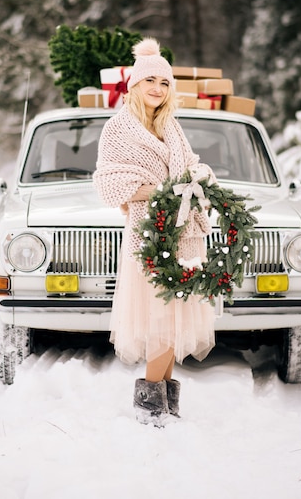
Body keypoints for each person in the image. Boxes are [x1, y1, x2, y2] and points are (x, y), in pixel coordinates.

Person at [93, 38, 216, 427]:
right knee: (161, 318)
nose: (157, 90)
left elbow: (190, 165)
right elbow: (110, 180)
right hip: (148, 233)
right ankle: (151, 407)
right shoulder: (118, 128)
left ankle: (163, 404)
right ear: (135, 85)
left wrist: (199, 179)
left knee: (173, 315)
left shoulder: (172, 127)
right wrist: (161, 189)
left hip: (181, 233)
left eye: (164, 84)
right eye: (150, 81)